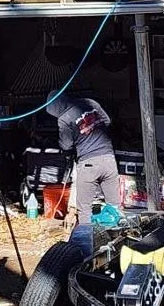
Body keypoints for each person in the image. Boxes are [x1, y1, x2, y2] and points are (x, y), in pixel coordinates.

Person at [45, 91, 119, 224]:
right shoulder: (90, 103)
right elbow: (107, 121)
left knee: (84, 210)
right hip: (109, 159)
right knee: (114, 207)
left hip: (88, 164)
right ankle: (116, 237)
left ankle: (86, 242)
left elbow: (66, 146)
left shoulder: (64, 119)